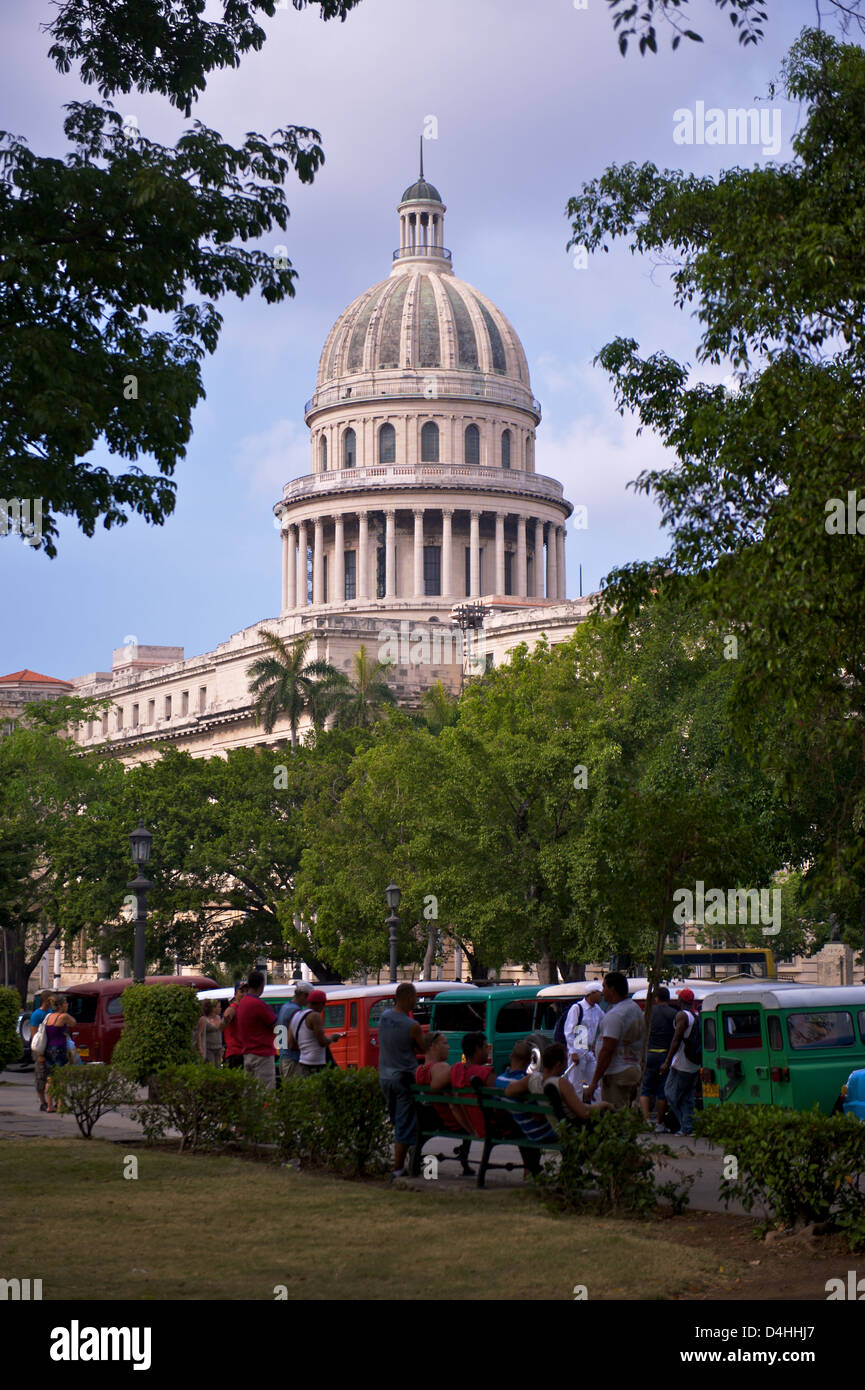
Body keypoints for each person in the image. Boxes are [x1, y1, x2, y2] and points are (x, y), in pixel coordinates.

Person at [378, 983, 425, 1179]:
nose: (416, 1001)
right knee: (406, 1123)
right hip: (404, 1077)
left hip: (385, 1076)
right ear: (406, 998)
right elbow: (423, 1049)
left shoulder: (383, 1017)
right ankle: (398, 1168)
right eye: (415, 997)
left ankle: (409, 1163)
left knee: (397, 1121)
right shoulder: (412, 1026)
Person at [507, 1042, 614, 1124]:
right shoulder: (561, 1083)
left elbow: (508, 1091)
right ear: (558, 1065)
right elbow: (584, 1113)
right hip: (567, 1129)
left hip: (548, 1126)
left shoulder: (532, 1080)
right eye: (566, 1060)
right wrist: (603, 1104)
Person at [583, 971, 645, 1110]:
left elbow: (607, 1050)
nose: (602, 991)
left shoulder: (616, 1014)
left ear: (612, 989)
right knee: (627, 1114)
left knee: (615, 1115)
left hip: (617, 1073)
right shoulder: (634, 1009)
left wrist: (593, 1083)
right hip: (632, 1069)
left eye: (604, 987)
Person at [661, 988, 700, 1136]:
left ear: (680, 1001)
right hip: (694, 1063)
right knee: (686, 1095)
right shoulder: (696, 1016)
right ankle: (688, 1127)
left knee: (670, 1094)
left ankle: (686, 1126)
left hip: (681, 1063)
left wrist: (667, 1061)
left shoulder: (682, 1016)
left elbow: (676, 1040)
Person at [640, 985, 679, 1129]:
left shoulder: (648, 1014)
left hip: (649, 1054)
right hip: (665, 1056)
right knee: (663, 1091)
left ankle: (646, 1121)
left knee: (646, 1089)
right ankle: (659, 1123)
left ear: (656, 998)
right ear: (668, 998)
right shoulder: (673, 1014)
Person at [235, 971, 278, 1090]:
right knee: (266, 1092)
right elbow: (276, 1026)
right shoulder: (259, 1004)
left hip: (248, 1053)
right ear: (262, 984)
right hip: (262, 1055)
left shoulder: (243, 1003)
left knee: (251, 1094)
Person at [289, 989, 346, 1076]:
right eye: (323, 1004)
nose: (323, 1007)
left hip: (302, 1063)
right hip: (316, 1063)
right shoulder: (315, 1016)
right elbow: (322, 1042)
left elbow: (292, 1045)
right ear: (320, 1003)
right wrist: (332, 1038)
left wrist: (306, 1048)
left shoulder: (295, 1016)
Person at [563, 984, 605, 1095]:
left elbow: (605, 1022)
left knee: (596, 1082)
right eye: (599, 994)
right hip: (578, 1049)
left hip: (589, 1050)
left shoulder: (597, 1009)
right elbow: (569, 1031)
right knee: (575, 1084)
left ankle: (597, 1107)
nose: (602, 996)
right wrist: (573, 1052)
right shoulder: (577, 1008)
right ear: (591, 994)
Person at [42, 995, 76, 1113]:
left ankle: (49, 1105)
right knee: (61, 1078)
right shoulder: (63, 1017)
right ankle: (61, 1105)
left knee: (50, 1079)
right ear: (61, 1005)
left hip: (48, 1049)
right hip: (59, 1049)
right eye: (65, 1003)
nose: (67, 1005)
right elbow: (73, 1023)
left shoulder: (49, 1016)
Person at [276, 981, 311, 1081]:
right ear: (304, 995)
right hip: (293, 1059)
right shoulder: (295, 1011)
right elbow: (294, 1039)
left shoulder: (285, 1007)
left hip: (283, 1057)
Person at [222, 983, 247, 1069]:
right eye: (241, 991)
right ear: (235, 993)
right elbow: (222, 1026)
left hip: (245, 1052)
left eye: (246, 992)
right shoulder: (232, 1009)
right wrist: (225, 1021)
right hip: (235, 1054)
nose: (244, 994)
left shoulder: (245, 1008)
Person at [196, 999, 224, 1065]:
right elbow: (199, 1034)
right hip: (209, 1048)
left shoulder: (219, 1018)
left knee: (219, 1067)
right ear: (213, 1009)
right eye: (218, 1007)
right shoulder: (204, 1019)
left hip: (218, 1047)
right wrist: (200, 1048)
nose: (220, 1008)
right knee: (211, 1066)